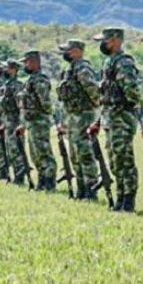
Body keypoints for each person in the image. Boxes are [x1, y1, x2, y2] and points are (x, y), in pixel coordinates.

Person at [92, 29, 141, 211]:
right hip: (110, 117)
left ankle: (128, 198)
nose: (102, 44)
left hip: (122, 117)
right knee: (114, 159)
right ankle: (120, 195)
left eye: (104, 41)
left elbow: (132, 92)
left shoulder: (124, 62)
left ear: (114, 41)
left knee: (124, 158)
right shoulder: (108, 63)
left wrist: (123, 108)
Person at [57, 38, 102, 201]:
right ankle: (81, 188)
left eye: (67, 50)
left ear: (77, 50)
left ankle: (91, 189)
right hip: (72, 117)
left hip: (84, 115)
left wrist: (95, 114)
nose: (65, 53)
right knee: (75, 154)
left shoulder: (83, 68)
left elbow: (94, 91)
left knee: (85, 153)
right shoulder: (70, 70)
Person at [17, 51, 57, 192]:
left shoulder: (40, 79)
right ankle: (42, 180)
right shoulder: (31, 79)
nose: (24, 65)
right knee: (35, 154)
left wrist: (44, 116)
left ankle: (49, 182)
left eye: (26, 62)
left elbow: (45, 102)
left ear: (34, 62)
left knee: (44, 153)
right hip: (31, 121)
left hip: (39, 121)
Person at [0, 60, 29, 185]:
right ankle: (16, 173)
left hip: (15, 121)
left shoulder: (17, 85)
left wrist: (22, 123)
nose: (4, 70)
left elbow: (21, 106)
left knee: (16, 149)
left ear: (13, 69)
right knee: (10, 149)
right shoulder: (7, 85)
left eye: (6, 68)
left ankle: (19, 175)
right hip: (8, 121)